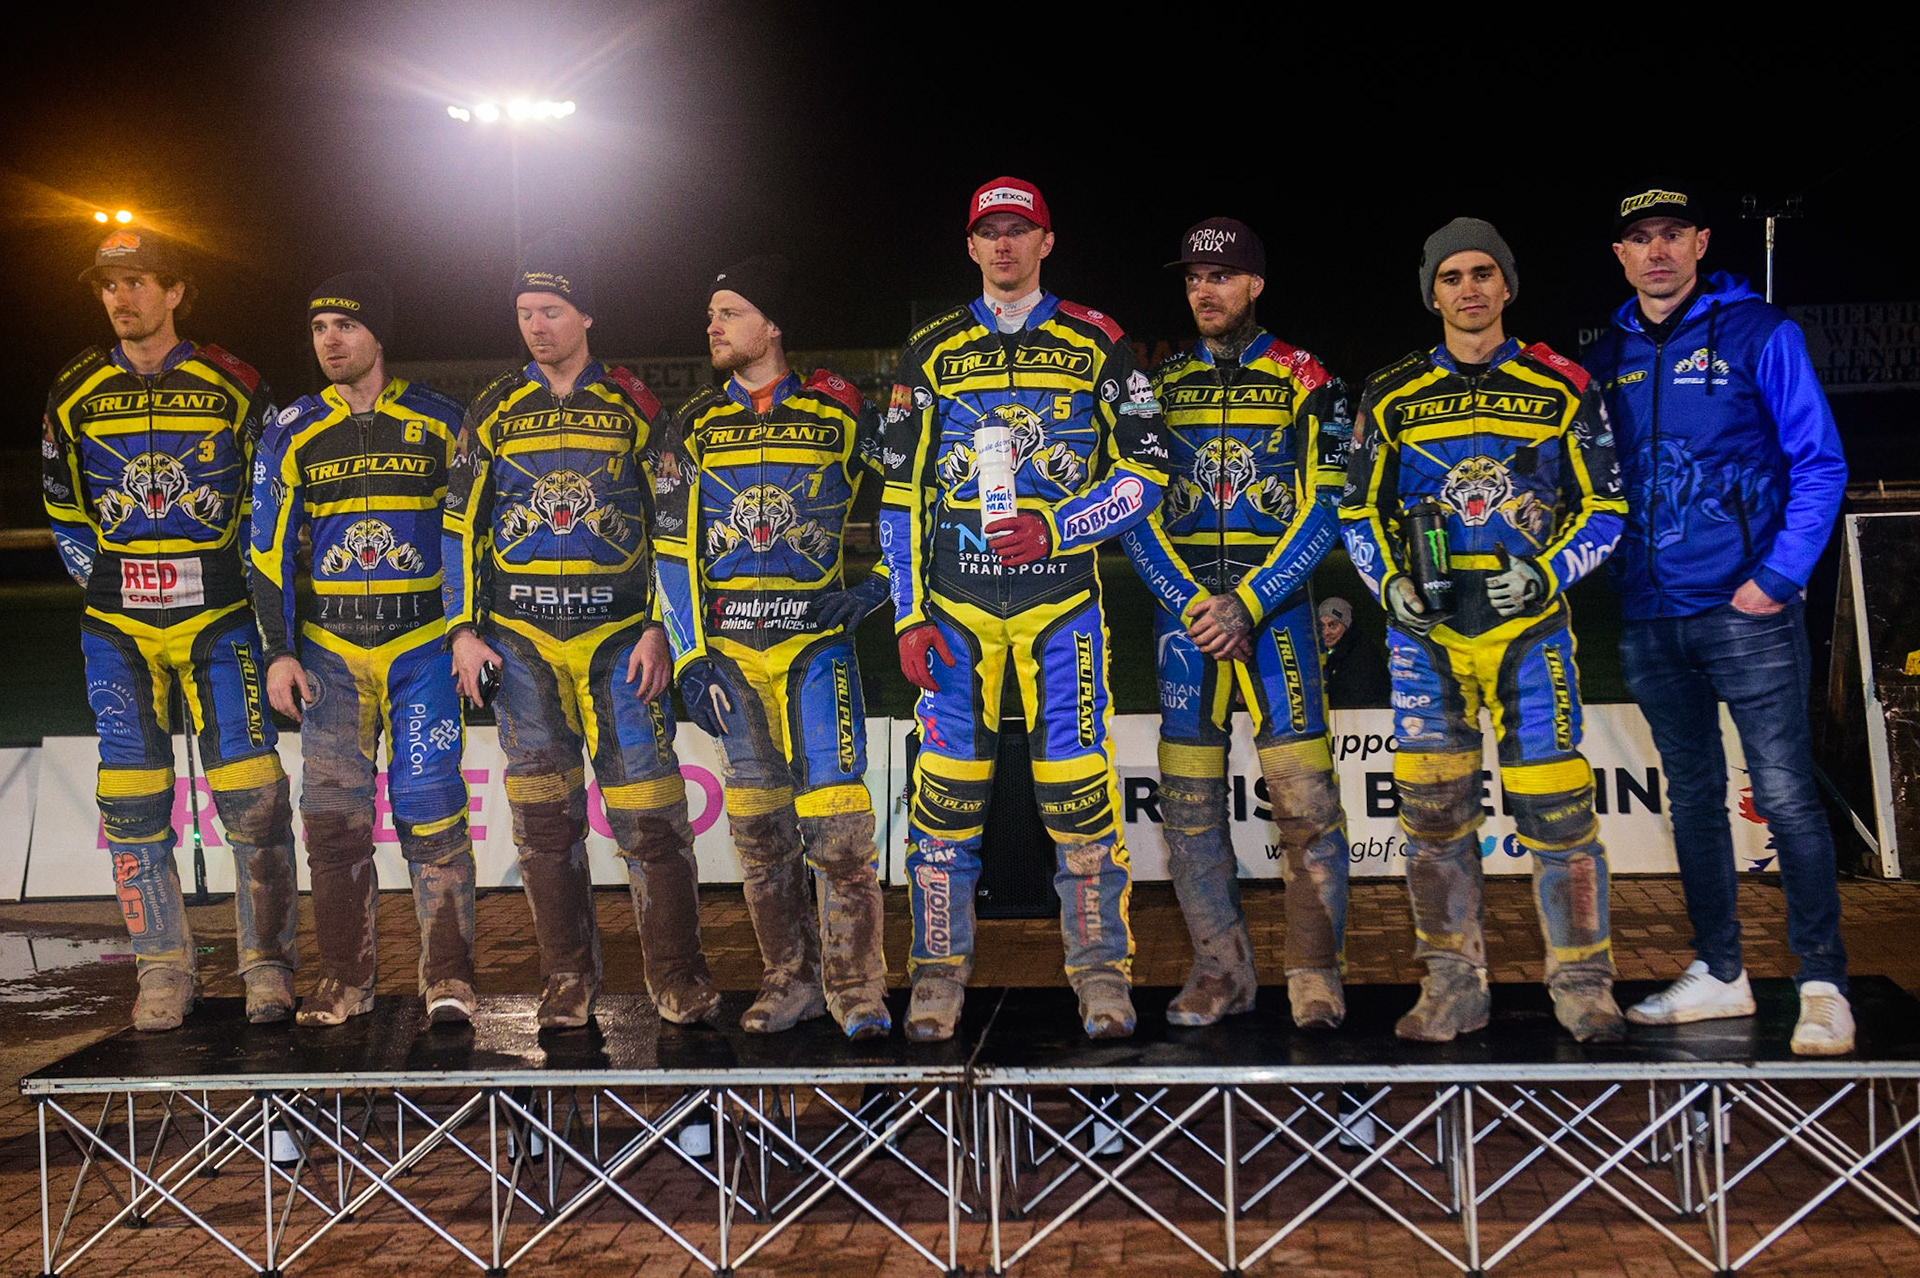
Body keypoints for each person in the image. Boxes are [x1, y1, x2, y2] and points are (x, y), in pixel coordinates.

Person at [879, 176, 1171, 1042]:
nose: (1003, 245)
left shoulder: (1098, 341)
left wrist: (1059, 526)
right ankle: (936, 979)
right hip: (957, 613)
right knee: (945, 800)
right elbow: (899, 497)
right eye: (989, 232)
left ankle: (1101, 977)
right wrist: (905, 615)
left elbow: (1147, 474)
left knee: (1079, 796)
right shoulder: (927, 350)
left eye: (1020, 230)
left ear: (1048, 240)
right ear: (970, 246)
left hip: (1061, 608)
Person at [1338, 218, 1627, 1043]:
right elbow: (1356, 508)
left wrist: (1549, 570)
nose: (1468, 289)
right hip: (1427, 635)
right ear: (1432, 294)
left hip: (1528, 628)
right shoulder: (1390, 392)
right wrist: (1388, 580)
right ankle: (1452, 985)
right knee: (1432, 817)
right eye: (1451, 277)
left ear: (1507, 286)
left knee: (1561, 815)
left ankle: (1583, 985)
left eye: (1482, 274)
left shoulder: (1563, 383)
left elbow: (1607, 506)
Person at [1584, 183, 1853, 1055]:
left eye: (1672, 235)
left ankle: (1822, 983)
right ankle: (1721, 973)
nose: (1656, 252)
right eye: (1639, 240)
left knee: (1782, 796)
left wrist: (1777, 576)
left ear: (1700, 242)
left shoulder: (1758, 332)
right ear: (1619, 255)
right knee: (1694, 800)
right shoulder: (1608, 352)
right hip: (1652, 614)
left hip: (1747, 608)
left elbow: (1820, 461)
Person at [442, 230, 718, 1029]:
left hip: (618, 642)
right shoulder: (493, 408)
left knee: (650, 816)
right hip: (522, 646)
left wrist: (664, 629)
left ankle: (677, 975)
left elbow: (674, 525)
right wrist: (464, 630)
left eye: (552, 311)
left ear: (586, 315)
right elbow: (457, 525)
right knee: (540, 822)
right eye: (526, 312)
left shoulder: (635, 404)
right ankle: (566, 977)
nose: (537, 326)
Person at [41, 226, 298, 1030]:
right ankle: (162, 970)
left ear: (177, 291)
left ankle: (267, 966)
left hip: (220, 620)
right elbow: (61, 506)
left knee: (254, 799)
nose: (122, 299)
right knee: (130, 798)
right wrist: (114, 584)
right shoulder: (75, 389)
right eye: (109, 287)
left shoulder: (235, 385)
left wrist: (244, 598)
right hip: (118, 628)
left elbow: (268, 505)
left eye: (139, 283)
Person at [1119, 217, 1355, 1028]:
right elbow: (1134, 507)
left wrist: (1249, 601)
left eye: (1219, 277)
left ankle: (1315, 973)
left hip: (1276, 613)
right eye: (1191, 279)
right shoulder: (1157, 382)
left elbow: (1330, 504)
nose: (1203, 291)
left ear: (1254, 283)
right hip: (1185, 618)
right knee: (1187, 811)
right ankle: (1221, 971)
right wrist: (1195, 603)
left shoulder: (1306, 375)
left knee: (1307, 809)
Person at [652, 256, 891, 1039]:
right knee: (759, 831)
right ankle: (790, 979)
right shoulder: (691, 424)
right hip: (732, 656)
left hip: (818, 649)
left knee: (840, 826)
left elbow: (916, 492)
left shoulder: (841, 406)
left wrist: (881, 586)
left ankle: (859, 988)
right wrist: (691, 658)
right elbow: (669, 550)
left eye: (729, 311)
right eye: (711, 313)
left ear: (773, 325)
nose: (713, 326)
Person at [250, 273, 478, 1026]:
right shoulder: (290, 429)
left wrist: (465, 631)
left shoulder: (443, 419)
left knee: (432, 808)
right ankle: (345, 982)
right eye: (319, 328)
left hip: (422, 652)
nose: (331, 340)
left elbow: (471, 537)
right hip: (327, 658)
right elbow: (267, 553)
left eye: (345, 325)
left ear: (378, 335)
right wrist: (279, 652)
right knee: (333, 820)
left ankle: (448, 977)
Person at [1318, 597, 1391, 709]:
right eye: (1321, 626)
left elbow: (1355, 701)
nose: (1326, 632)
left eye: (1333, 625)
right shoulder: (1332, 653)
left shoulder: (1362, 655)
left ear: (1346, 625)